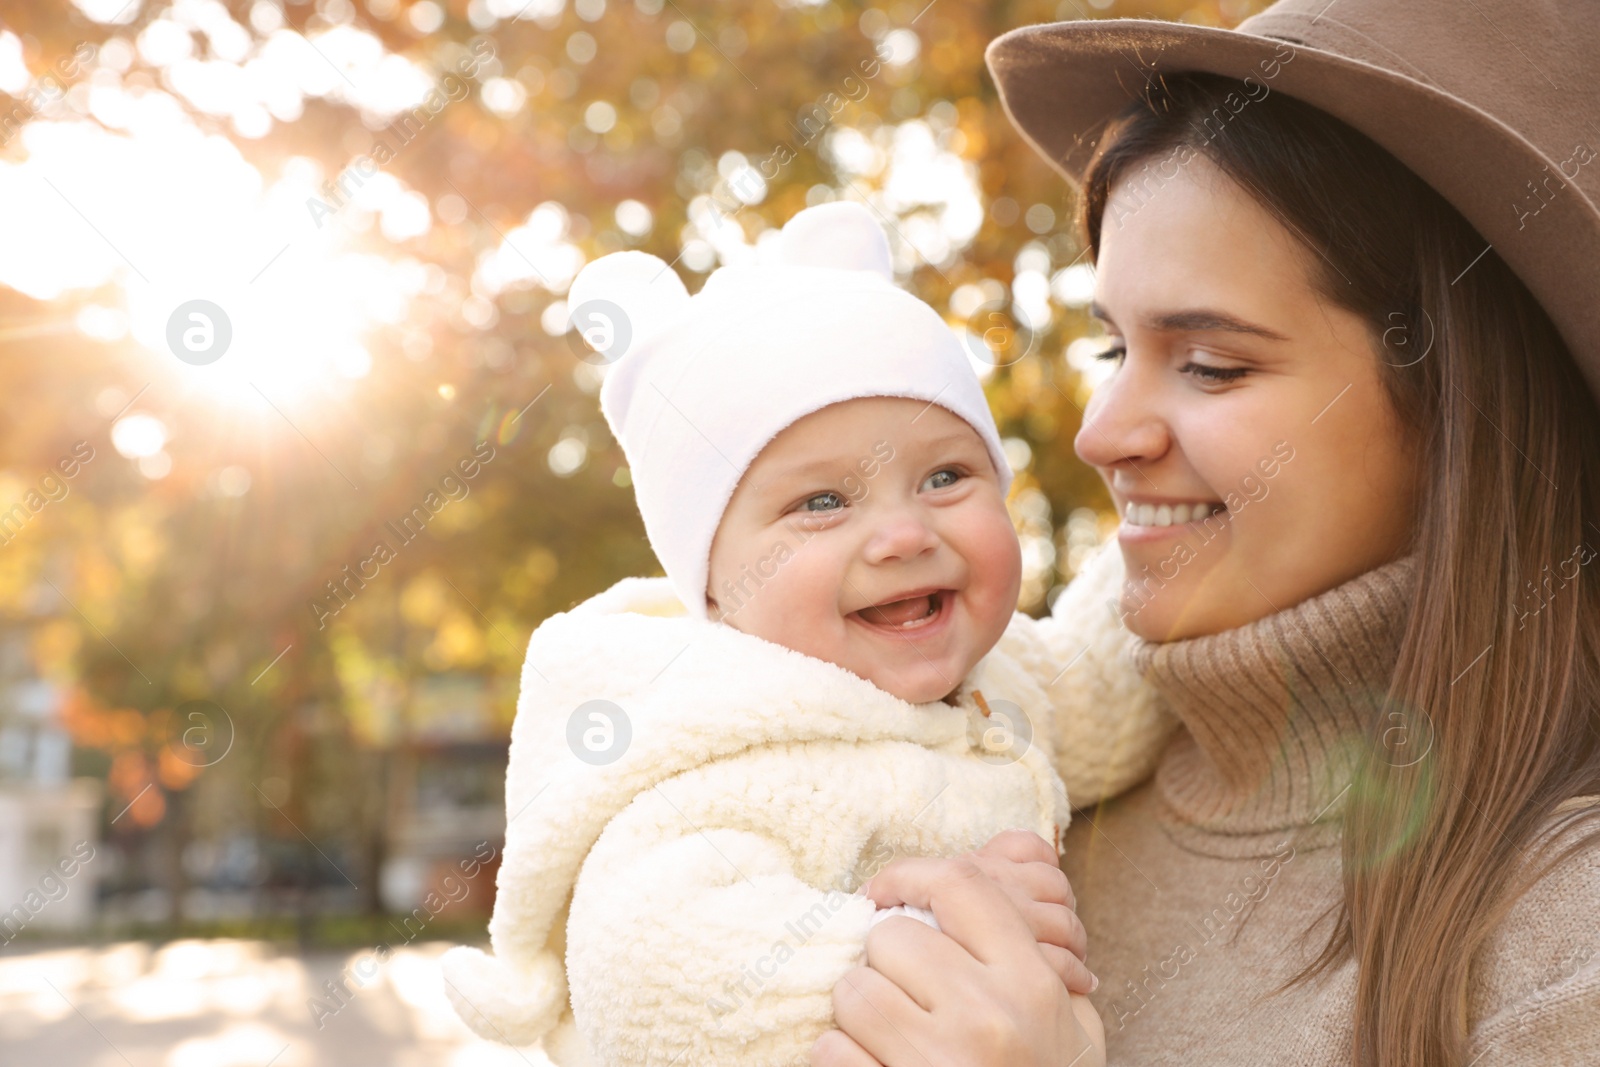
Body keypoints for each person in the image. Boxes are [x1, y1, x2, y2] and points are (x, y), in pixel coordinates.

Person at [813, 1, 1600, 1065]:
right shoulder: (1003, 795)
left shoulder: (1567, 930)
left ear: (1461, 405)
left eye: (1211, 364)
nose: (1102, 433)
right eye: (1111, 351)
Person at [437, 201, 1175, 1065]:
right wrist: (935, 937)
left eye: (945, 474)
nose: (903, 534)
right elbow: (660, 975)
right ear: (712, 582)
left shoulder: (1005, 675)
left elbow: (1107, 668)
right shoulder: (712, 751)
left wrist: (1182, 536)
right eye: (822, 502)